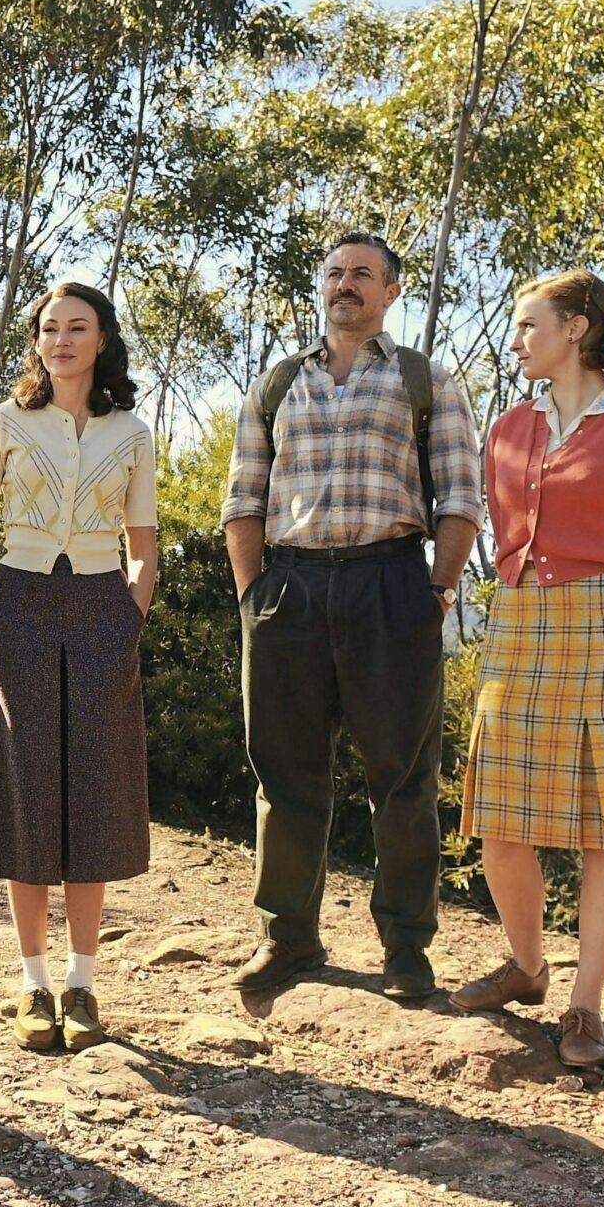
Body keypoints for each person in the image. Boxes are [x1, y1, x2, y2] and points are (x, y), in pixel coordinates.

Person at [221, 233, 485, 1013]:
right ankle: (287, 936)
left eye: (362, 275)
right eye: (335, 273)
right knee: (284, 771)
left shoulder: (424, 380)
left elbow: (461, 500)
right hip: (290, 591)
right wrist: (253, 601)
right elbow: (244, 500)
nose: (345, 285)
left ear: (390, 293)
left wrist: (433, 593)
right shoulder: (276, 384)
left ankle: (405, 946)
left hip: (389, 584)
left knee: (402, 778)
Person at [449, 269, 604, 1069]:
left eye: (531, 324)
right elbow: (503, 535)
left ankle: (586, 1002)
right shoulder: (506, 431)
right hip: (523, 621)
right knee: (499, 816)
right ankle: (527, 966)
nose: (518, 339)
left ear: (580, 328)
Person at [0, 281, 159, 1054]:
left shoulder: (132, 432)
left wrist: (127, 617)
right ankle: (32, 983)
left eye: (78, 327)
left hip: (103, 607)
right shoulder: (6, 422)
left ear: (102, 337)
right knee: (28, 794)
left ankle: (82, 982)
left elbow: (144, 547)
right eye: (50, 328)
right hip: (22, 607)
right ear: (37, 341)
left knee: (93, 796)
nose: (63, 340)